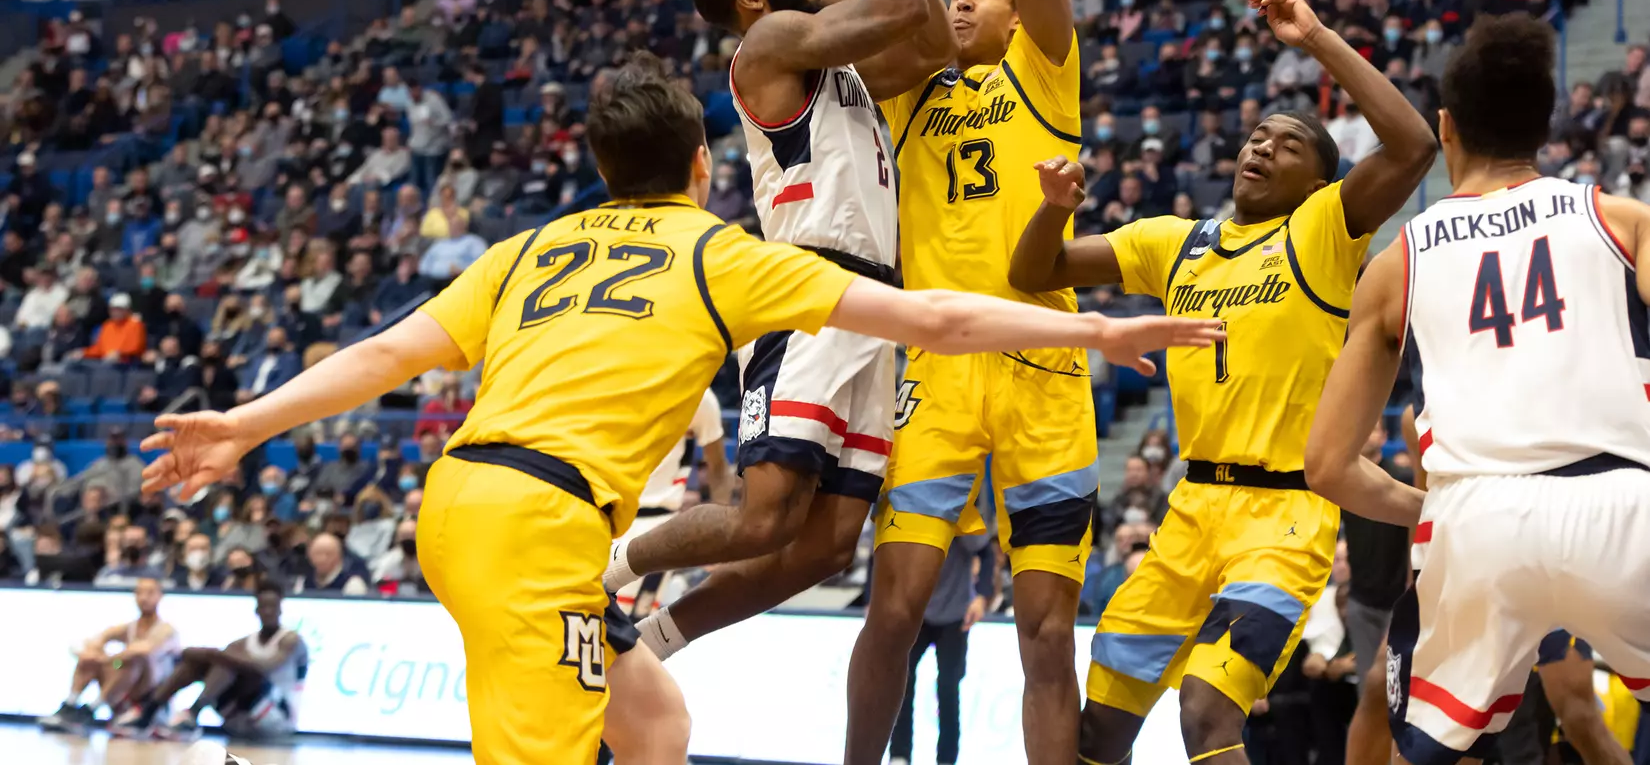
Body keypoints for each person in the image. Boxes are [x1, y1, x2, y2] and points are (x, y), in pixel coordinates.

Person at [137, 55, 1221, 764]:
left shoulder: (533, 244)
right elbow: (933, 317)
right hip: (540, 528)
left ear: (602, 166)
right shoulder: (719, 253)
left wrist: (246, 422)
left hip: (464, 500)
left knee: (652, 720)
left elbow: (383, 350)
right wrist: (1099, 332)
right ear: (705, 167)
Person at [1009, 0, 1435, 765]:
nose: (1263, 147)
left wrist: (1316, 41)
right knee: (1098, 729)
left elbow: (1412, 145)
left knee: (1207, 715)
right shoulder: (1175, 240)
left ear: (1316, 183)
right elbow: (1032, 269)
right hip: (1189, 512)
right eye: (1258, 136)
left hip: (1284, 517)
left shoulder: (1321, 229)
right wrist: (1052, 207)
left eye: (1288, 144)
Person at [605, 0, 955, 662]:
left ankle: (655, 640)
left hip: (873, 301)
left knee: (830, 546)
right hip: (808, 291)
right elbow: (898, 7)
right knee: (765, 520)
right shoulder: (768, 45)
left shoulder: (809, 36)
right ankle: (603, 572)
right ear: (754, 2)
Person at [845, 0, 1118, 765]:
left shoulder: (1046, 75)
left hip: (1043, 360)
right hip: (936, 364)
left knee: (1047, 630)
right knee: (896, 608)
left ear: (1016, 10)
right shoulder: (909, 86)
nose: (961, 0)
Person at [1304, 13, 1650, 765]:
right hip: (1623, 505)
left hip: (1477, 520)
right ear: (1545, 125)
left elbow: (1327, 465)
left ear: (1445, 127)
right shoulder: (1622, 221)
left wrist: (1430, 505)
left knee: (1411, 741)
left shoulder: (1401, 260)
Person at [116, 581, 307, 740]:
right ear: (255, 610)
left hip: (278, 718)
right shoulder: (243, 642)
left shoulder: (291, 640)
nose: (267, 611)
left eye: (272, 606)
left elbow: (264, 669)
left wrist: (215, 654)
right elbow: (187, 655)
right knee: (212, 663)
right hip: (239, 717)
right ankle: (149, 713)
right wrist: (209, 654)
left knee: (228, 663)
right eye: (263, 607)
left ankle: (192, 714)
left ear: (281, 609)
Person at [612, 388, 732, 620]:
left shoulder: (698, 395)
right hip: (602, 517)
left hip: (654, 525)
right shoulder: (612, 380)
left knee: (629, 627)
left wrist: (720, 537)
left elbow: (718, 469)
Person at [888, 531, 997, 765]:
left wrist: (982, 596)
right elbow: (883, 556)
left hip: (955, 614)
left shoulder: (961, 513)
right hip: (916, 611)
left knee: (948, 687)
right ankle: (899, 755)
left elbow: (986, 553)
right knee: (900, 680)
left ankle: (946, 760)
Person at [39, 577, 180, 732]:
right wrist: (92, 654)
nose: (144, 598)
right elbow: (92, 641)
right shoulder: (128, 628)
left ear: (160, 596)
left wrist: (106, 659)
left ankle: (92, 709)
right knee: (95, 658)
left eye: (150, 593)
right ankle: (71, 705)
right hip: (124, 683)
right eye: (139, 592)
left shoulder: (167, 630)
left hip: (149, 689)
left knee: (131, 660)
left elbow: (144, 650)